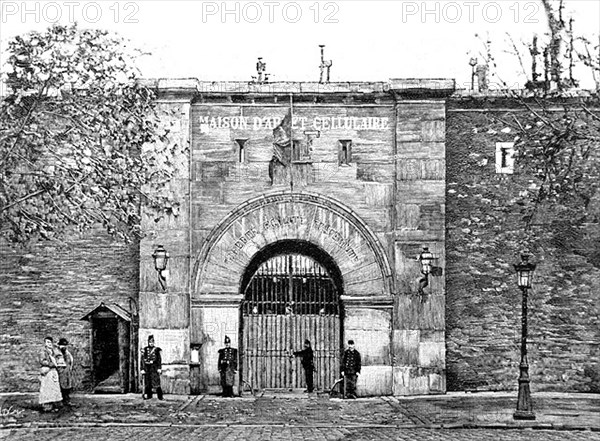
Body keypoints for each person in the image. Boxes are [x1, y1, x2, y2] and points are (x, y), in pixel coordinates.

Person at [38, 336, 62, 412]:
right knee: (47, 389)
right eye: (48, 342)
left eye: (50, 342)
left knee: (54, 388)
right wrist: (51, 364)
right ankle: (47, 406)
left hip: (53, 371)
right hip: (47, 371)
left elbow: (59, 358)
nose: (49, 344)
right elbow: (42, 361)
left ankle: (54, 404)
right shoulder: (43, 352)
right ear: (45, 343)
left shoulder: (54, 351)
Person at [141, 335, 163, 400]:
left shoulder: (156, 350)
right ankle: (149, 395)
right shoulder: (145, 350)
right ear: (148, 342)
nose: (151, 343)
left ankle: (160, 396)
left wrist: (159, 368)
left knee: (156, 382)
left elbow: (159, 360)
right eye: (150, 342)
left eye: (152, 342)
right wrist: (142, 369)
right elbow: (142, 360)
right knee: (148, 382)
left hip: (154, 367)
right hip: (147, 368)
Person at [55, 338, 74, 406]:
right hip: (61, 371)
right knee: (61, 386)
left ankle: (67, 400)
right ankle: (61, 400)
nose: (63, 347)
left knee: (67, 386)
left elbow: (71, 360)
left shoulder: (67, 352)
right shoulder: (57, 352)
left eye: (65, 345)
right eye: (62, 345)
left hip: (67, 371)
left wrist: (70, 368)